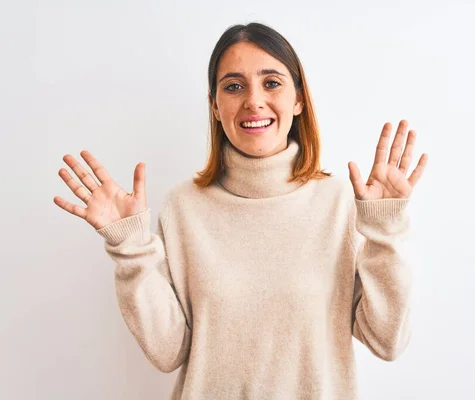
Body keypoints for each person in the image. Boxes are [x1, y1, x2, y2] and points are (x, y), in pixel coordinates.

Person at [54, 22, 428, 400]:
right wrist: (130, 248)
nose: (253, 100)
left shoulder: (338, 203)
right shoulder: (184, 208)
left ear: (298, 99)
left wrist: (386, 229)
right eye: (233, 86)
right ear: (215, 107)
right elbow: (168, 352)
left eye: (271, 83)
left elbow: (387, 341)